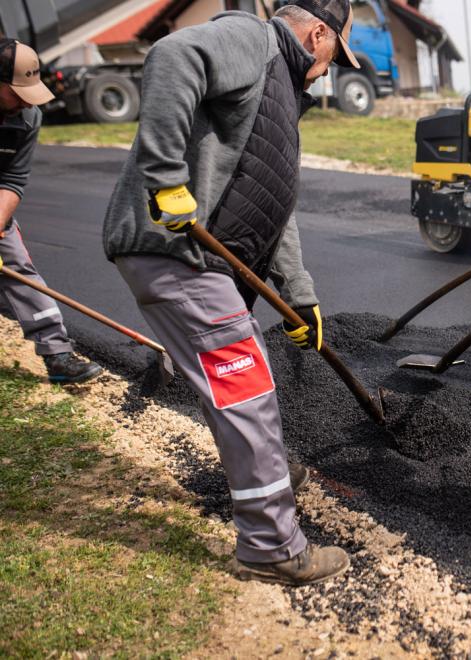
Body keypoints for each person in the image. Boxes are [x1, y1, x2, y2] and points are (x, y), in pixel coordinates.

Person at [102, 0, 361, 585]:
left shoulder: (281, 93)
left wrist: (299, 296)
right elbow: (172, 54)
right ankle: (271, 547)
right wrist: (165, 178)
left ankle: (264, 471)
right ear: (317, 33)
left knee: (237, 383)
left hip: (196, 262)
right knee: (246, 387)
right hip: (178, 253)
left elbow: (276, 205)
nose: (329, 68)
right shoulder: (251, 39)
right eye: (333, 54)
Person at [0, 39, 102, 384]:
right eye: (17, 91)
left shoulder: (27, 116)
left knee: (16, 264)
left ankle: (57, 354)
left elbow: (13, 179)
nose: (26, 100)